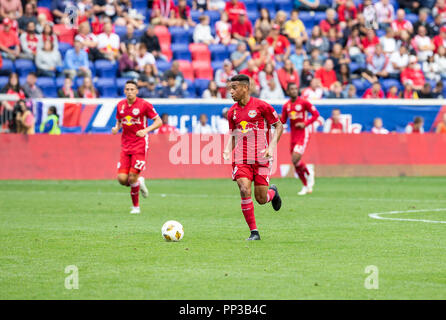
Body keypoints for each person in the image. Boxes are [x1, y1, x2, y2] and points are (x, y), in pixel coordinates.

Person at [223, 74, 283, 241]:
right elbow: (234, 134)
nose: (231, 92)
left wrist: (271, 146)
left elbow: (279, 125)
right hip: (241, 158)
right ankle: (254, 232)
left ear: (245, 88)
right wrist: (228, 150)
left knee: (261, 199)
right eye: (230, 88)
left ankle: (273, 192)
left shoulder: (261, 106)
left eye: (234, 88)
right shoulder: (232, 112)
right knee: (244, 189)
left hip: (261, 158)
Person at [111, 80, 162, 214]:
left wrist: (146, 130)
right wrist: (116, 127)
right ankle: (139, 182)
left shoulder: (144, 104)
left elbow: (159, 121)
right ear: (124, 91)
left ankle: (136, 207)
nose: (129, 91)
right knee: (122, 179)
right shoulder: (120, 105)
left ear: (137, 91)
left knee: (132, 176)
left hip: (140, 144)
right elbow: (120, 120)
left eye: (132, 89)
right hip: (125, 145)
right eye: (127, 89)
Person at [280, 82, 319, 195]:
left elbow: (316, 114)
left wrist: (305, 123)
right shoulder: (286, 105)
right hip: (293, 136)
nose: (294, 91)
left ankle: (309, 173)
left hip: (303, 134)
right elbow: (283, 120)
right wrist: (273, 117)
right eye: (291, 89)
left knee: (295, 159)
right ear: (287, 91)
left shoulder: (304, 102)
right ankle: (305, 185)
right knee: (296, 163)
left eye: (295, 89)